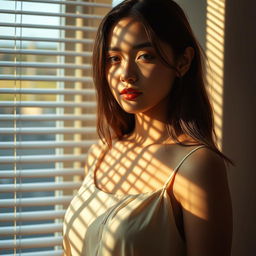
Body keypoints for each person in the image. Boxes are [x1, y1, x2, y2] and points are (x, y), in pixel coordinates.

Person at [63, 0, 233, 255]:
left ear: (183, 62)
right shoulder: (100, 154)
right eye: (114, 58)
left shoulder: (196, 166)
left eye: (145, 56)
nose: (126, 73)